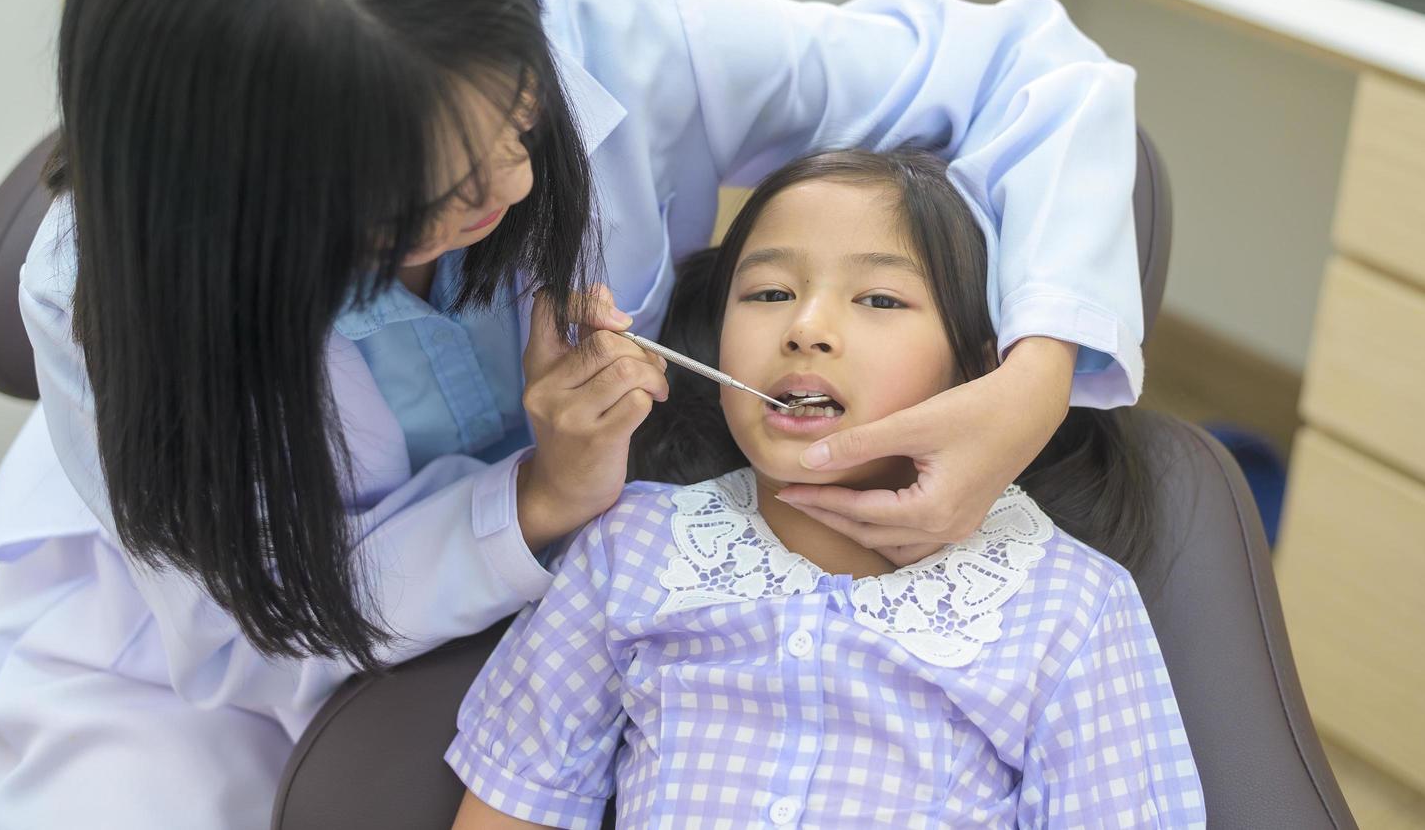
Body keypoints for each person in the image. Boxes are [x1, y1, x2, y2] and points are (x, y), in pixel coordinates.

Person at [0, 0, 1144, 826]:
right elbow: (277, 618)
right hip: (212, 652)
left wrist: (1031, 384)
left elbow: (1033, 73)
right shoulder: (628, 566)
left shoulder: (621, 28)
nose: (518, 182)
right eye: (423, 202)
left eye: (523, 122)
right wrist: (543, 499)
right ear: (253, 219)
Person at [448, 149, 1203, 829]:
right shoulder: (630, 550)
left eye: (878, 300)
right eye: (770, 293)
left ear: (981, 377)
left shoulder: (1069, 607)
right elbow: (517, 798)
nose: (806, 327)